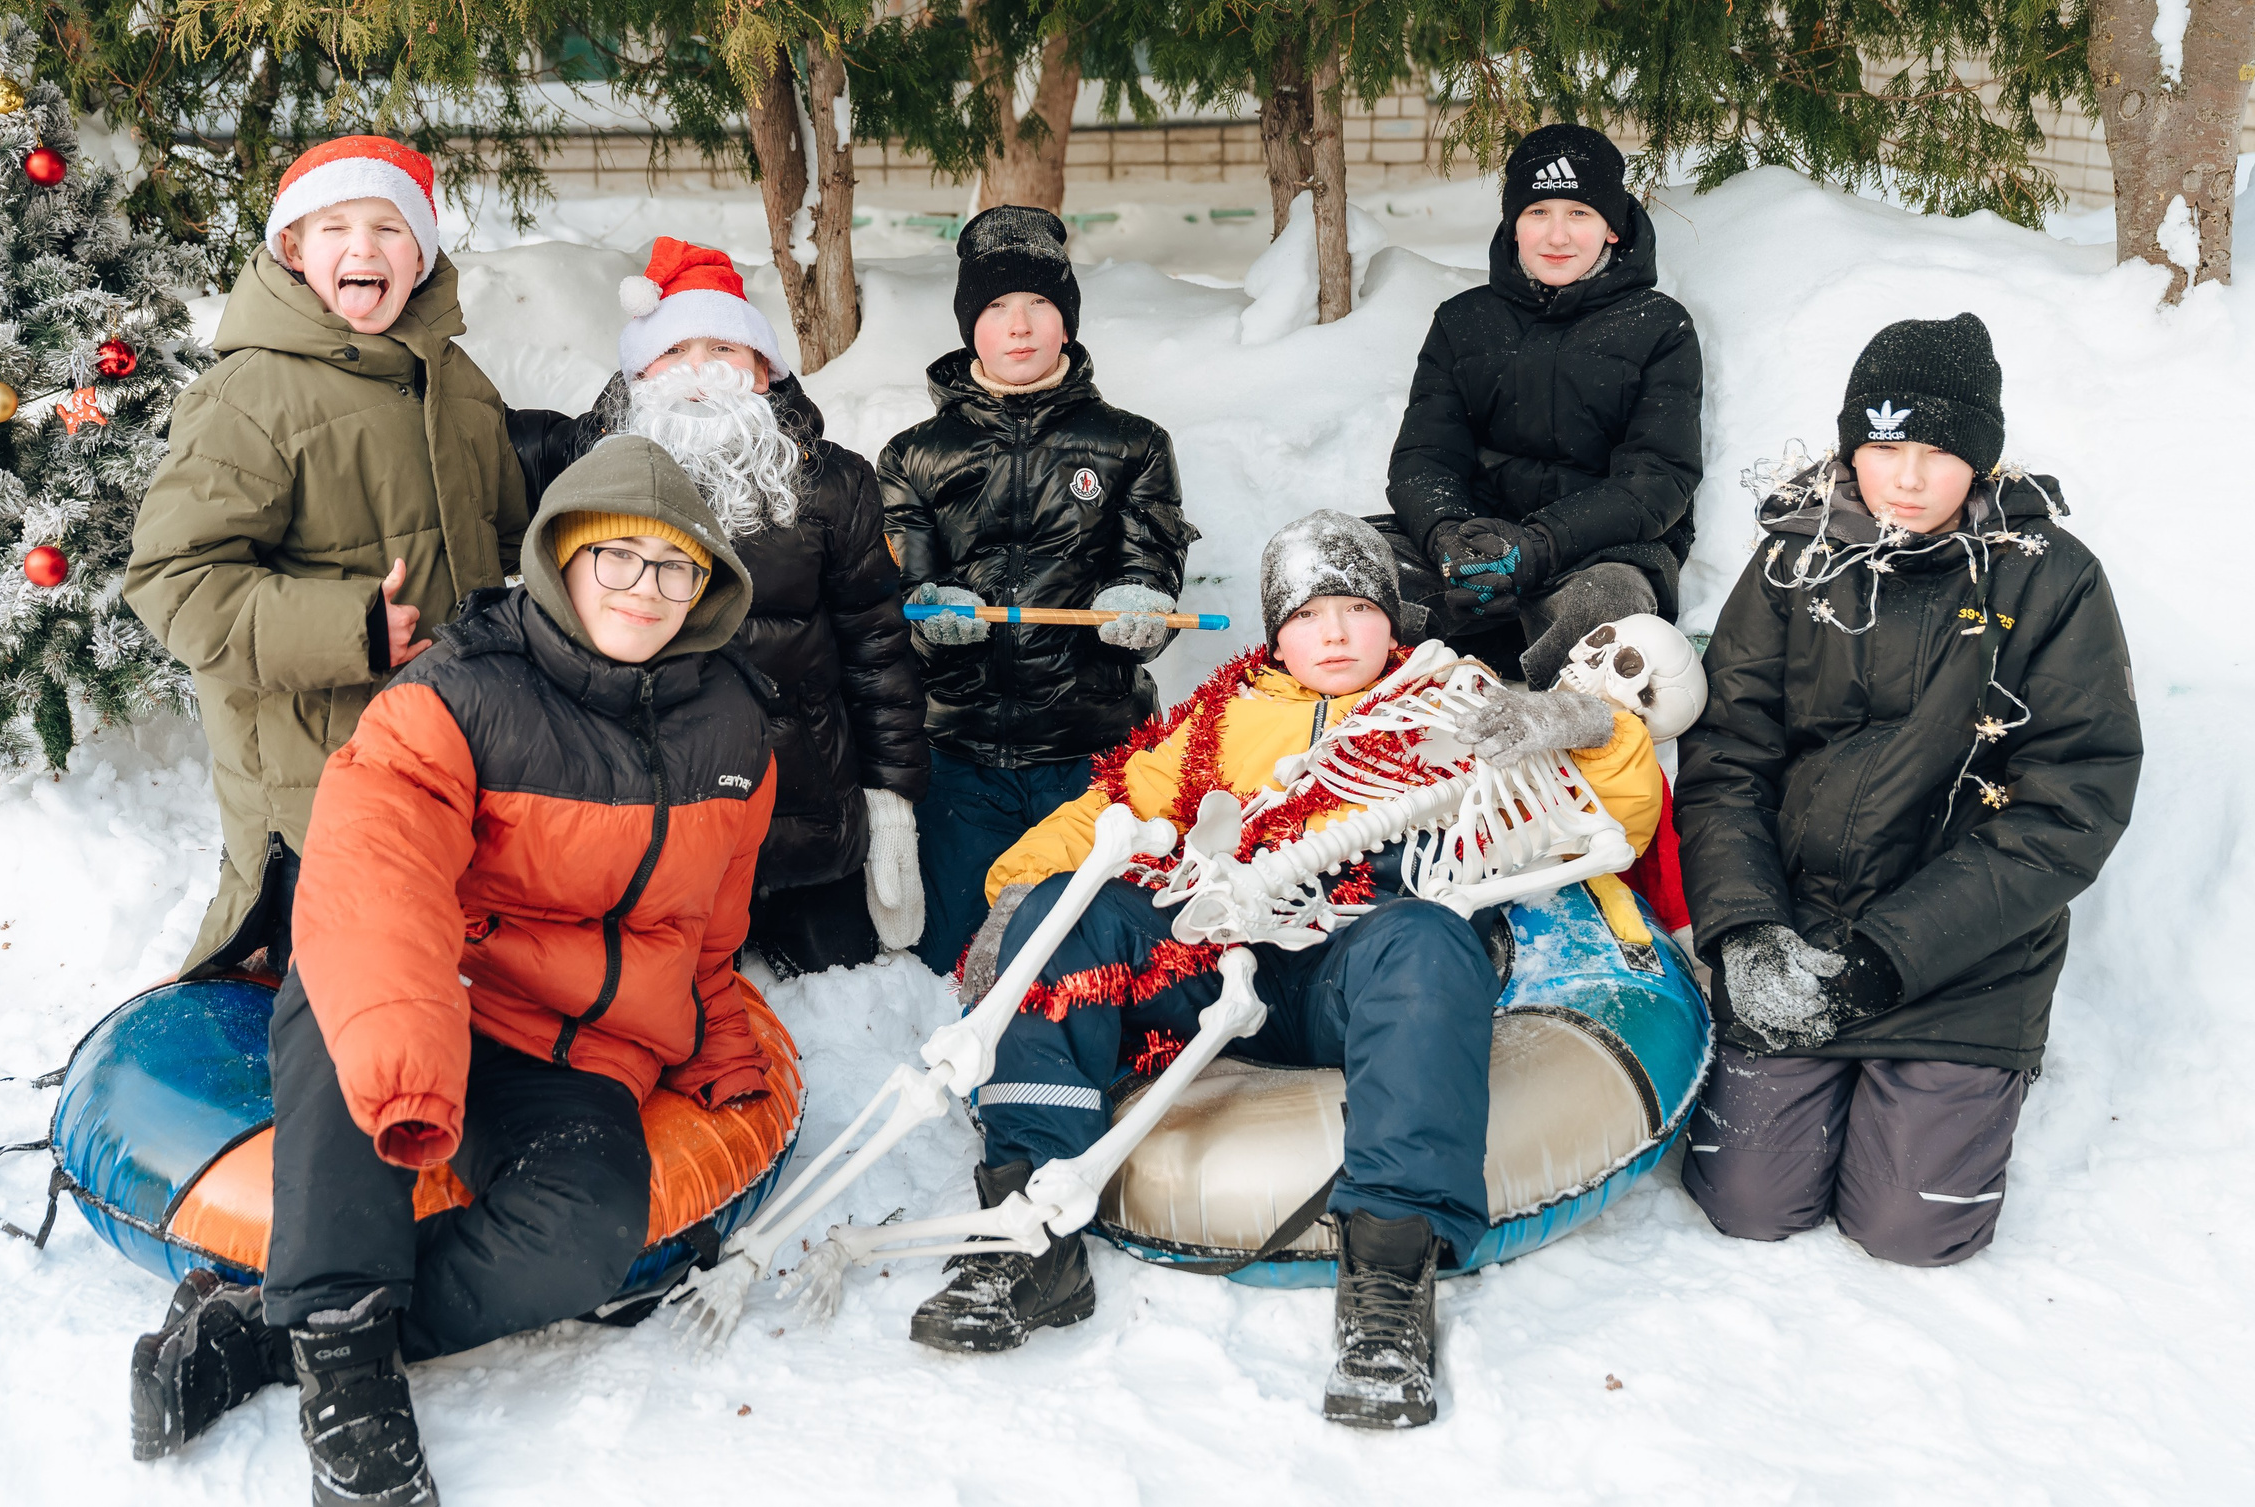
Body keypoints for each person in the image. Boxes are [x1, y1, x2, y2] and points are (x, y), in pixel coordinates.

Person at [127, 437, 777, 1505]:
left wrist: (722, 1043)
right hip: (432, 985)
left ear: (706, 586)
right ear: (560, 558)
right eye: (616, 557)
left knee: (583, 1237)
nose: (645, 589)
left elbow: (708, 923)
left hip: (572, 1045)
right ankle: (341, 1359)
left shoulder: (734, 726)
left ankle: (257, 1334)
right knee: (350, 1026)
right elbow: (374, 888)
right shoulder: (459, 693)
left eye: (674, 568)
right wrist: (416, 1068)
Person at [912, 510, 1665, 1428]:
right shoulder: (1217, 720)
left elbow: (1619, 813)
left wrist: (1581, 721)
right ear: (1280, 631)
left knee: (1428, 941)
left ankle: (1389, 1281)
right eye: (1311, 616)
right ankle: (1028, 1234)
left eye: (1357, 607)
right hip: (1217, 951)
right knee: (1062, 911)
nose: (1337, 633)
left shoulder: (1457, 694)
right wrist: (1014, 894)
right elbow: (1105, 812)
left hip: (1358, 963)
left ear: (1393, 616)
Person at [1676, 314, 2141, 1268]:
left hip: (1962, 959)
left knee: (1911, 1228)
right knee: (1748, 1201)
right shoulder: (1790, 564)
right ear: (1853, 447)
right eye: (1886, 447)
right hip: (1799, 932)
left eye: (1939, 450)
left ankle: (1927, 1087)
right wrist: (1748, 929)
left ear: (1982, 457)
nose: (1911, 477)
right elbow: (1728, 759)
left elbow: (2072, 803)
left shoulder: (2053, 581)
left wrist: (1893, 957)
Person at [127, 136, 529, 980]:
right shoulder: (249, 397)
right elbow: (176, 581)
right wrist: (351, 627)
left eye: (389, 228)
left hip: (451, 746)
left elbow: (494, 537)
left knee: (440, 967)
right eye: (336, 227)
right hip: (317, 775)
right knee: (344, 987)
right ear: (294, 249)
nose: (363, 248)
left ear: (420, 253)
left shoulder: (456, 383)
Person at [505, 238, 925, 976]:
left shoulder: (833, 485)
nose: (699, 372)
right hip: (658, 829)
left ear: (765, 370)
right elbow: (458, 431)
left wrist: (891, 798)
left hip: (805, 817)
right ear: (637, 373)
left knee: (847, 1001)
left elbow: (877, 649)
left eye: (725, 346)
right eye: (673, 351)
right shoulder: (590, 466)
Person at [879, 204, 1199, 976]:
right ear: (970, 327)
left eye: (1039, 305)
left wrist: (1142, 611)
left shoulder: (1134, 444)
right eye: (996, 307)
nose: (1018, 326)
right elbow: (903, 586)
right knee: (951, 966)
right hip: (958, 755)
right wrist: (928, 615)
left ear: (1067, 322)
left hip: (1089, 754)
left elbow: (1151, 570)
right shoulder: (912, 457)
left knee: (1085, 963)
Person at [1382, 122, 1703, 686]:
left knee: (1610, 608)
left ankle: (1552, 718)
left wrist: (1539, 546)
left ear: (1612, 228)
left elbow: (1659, 479)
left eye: (1578, 213)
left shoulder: (1659, 326)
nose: (1557, 236)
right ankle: (1380, 709)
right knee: (1343, 561)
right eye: (1537, 213)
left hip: (1594, 556)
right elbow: (1424, 458)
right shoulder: (1463, 322)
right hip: (1473, 553)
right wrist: (1445, 537)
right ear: (1512, 224)